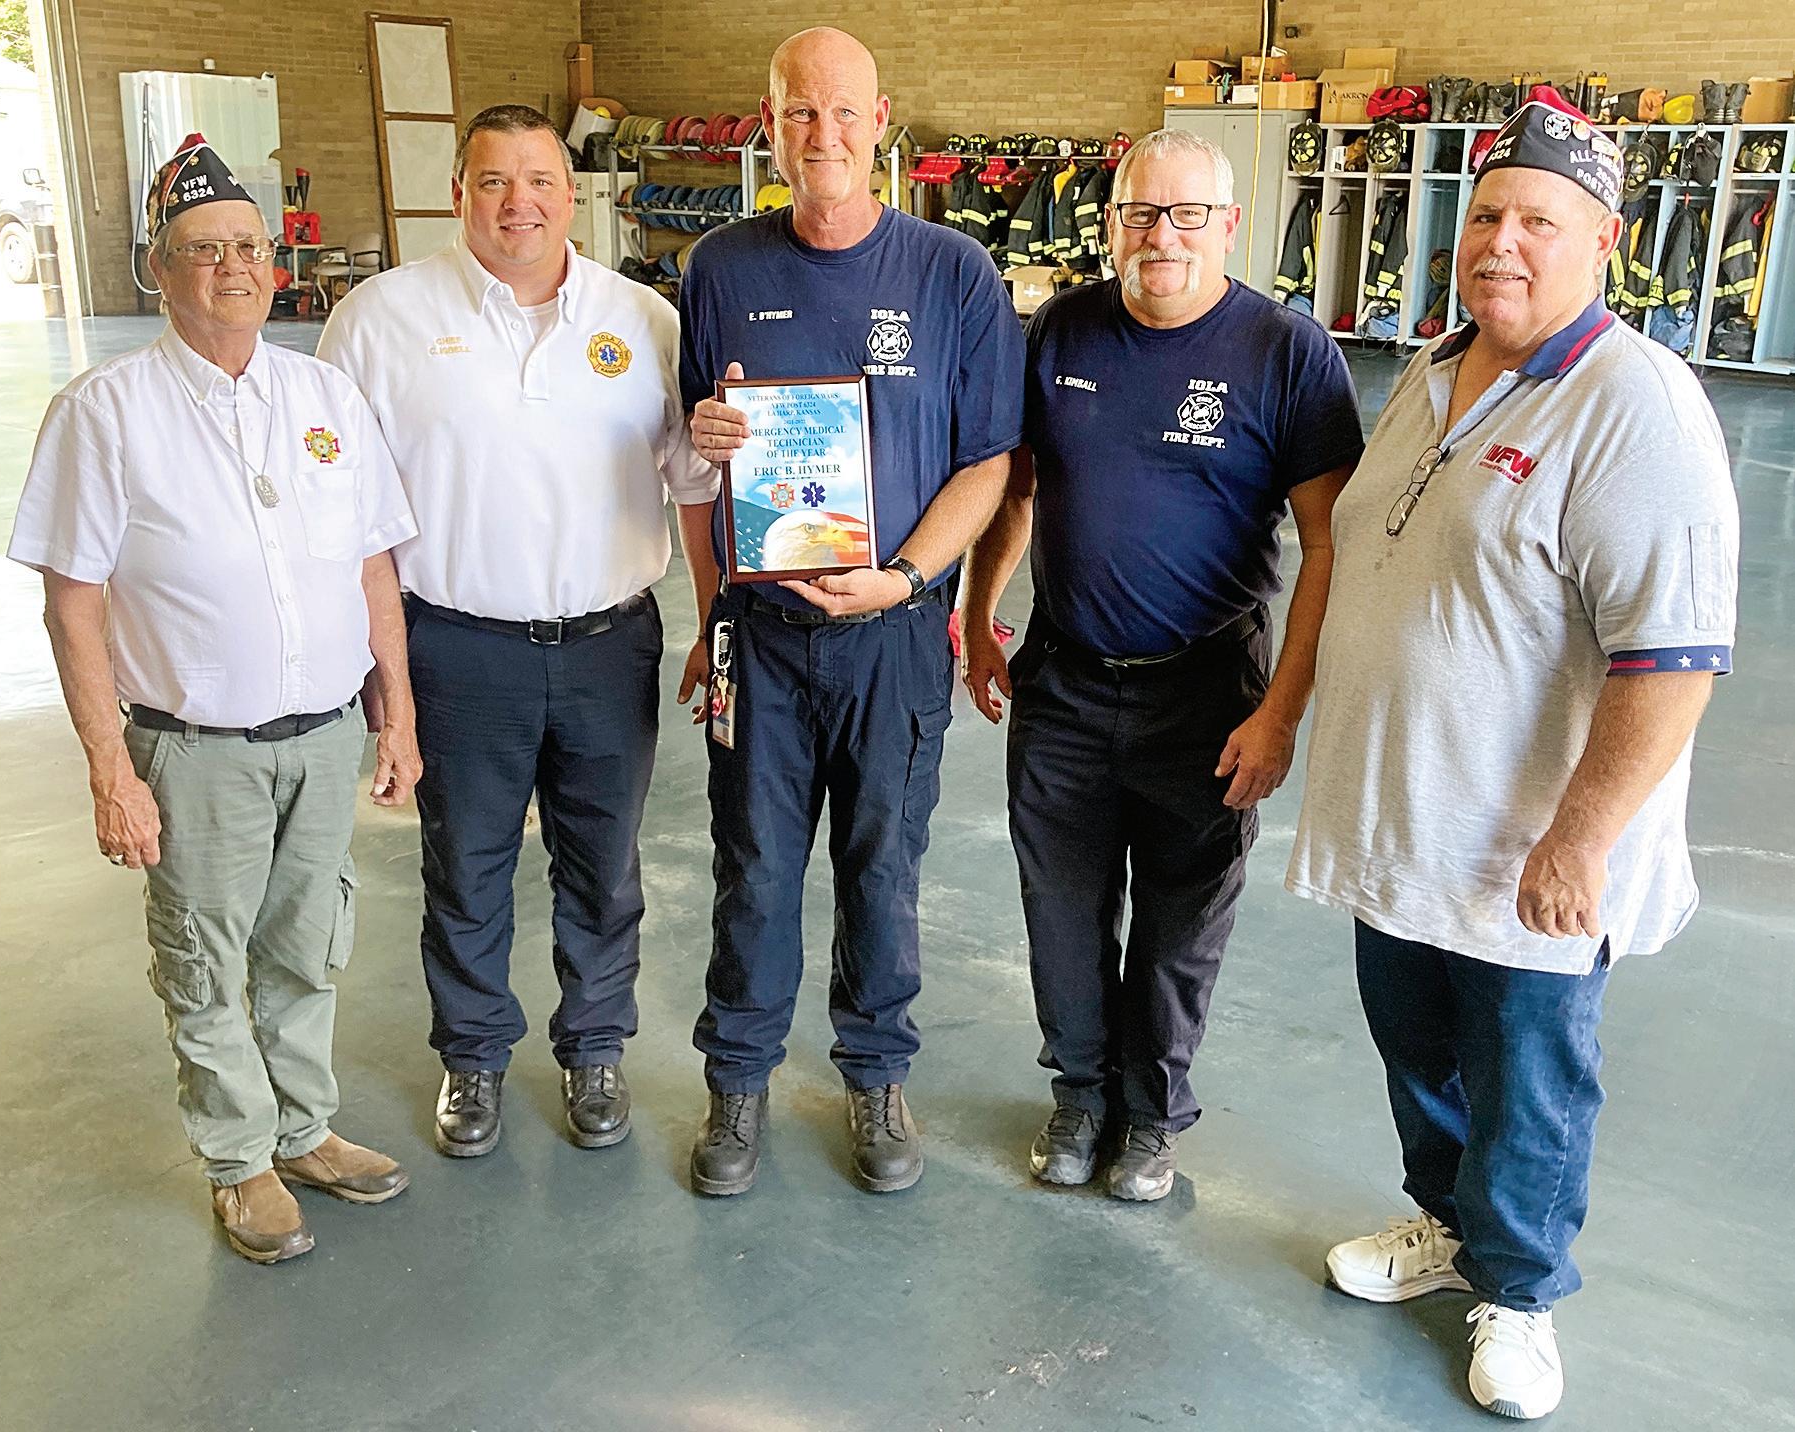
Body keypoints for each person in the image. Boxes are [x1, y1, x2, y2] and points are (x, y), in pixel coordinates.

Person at [1286, 98, 1739, 1420]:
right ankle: (1447, 1226)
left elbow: (1672, 657)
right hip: (1403, 821)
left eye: (1539, 220)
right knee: (1418, 1049)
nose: (1501, 241)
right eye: (1486, 214)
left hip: (1525, 845)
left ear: (1605, 239)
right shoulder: (1432, 372)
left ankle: (1521, 1291)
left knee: (1527, 1075)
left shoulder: (1632, 404)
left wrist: (1580, 838)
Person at [8, 136, 420, 1264]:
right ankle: (240, 1163)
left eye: (249, 245)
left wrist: (396, 717)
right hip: (193, 750)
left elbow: (373, 569)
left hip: (324, 737)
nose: (233, 267)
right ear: (159, 269)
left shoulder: (324, 393)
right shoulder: (106, 411)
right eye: (203, 250)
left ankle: (303, 1130)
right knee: (203, 957)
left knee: (308, 946)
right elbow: (74, 603)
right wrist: (110, 770)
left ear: (274, 263)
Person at [958, 128, 1362, 1202]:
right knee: (1061, 907)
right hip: (1064, 680)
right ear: (1111, 223)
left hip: (1207, 689)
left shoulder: (1287, 353)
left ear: (1229, 226)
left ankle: (1150, 1114)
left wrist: (1281, 712)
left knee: (1183, 921)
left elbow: (1331, 545)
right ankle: (1081, 1094)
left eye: (1187, 215)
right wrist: (979, 613)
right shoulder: (1061, 329)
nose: (1161, 236)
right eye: (1140, 213)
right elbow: (1016, 488)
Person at [318, 105, 719, 1159]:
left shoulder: (644, 319)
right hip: (457, 649)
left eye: (539, 180)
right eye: (493, 181)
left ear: (568, 195)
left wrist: (716, 602)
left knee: (605, 866)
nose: (518, 203)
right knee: (466, 866)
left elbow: (690, 480)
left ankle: (595, 1047)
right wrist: (382, 677)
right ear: (459, 194)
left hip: (608, 644)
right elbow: (348, 519)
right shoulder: (378, 320)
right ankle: (473, 1056)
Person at [678, 27, 1024, 1196]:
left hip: (894, 639)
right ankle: (737, 1083)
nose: (820, 133)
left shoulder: (953, 273)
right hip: (764, 641)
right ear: (769, 127)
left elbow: (987, 464)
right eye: (797, 112)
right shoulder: (720, 268)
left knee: (883, 869)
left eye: (841, 112)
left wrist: (910, 579)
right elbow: (695, 459)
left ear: (880, 124)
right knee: (753, 868)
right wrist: (707, 447)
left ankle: (876, 1075)